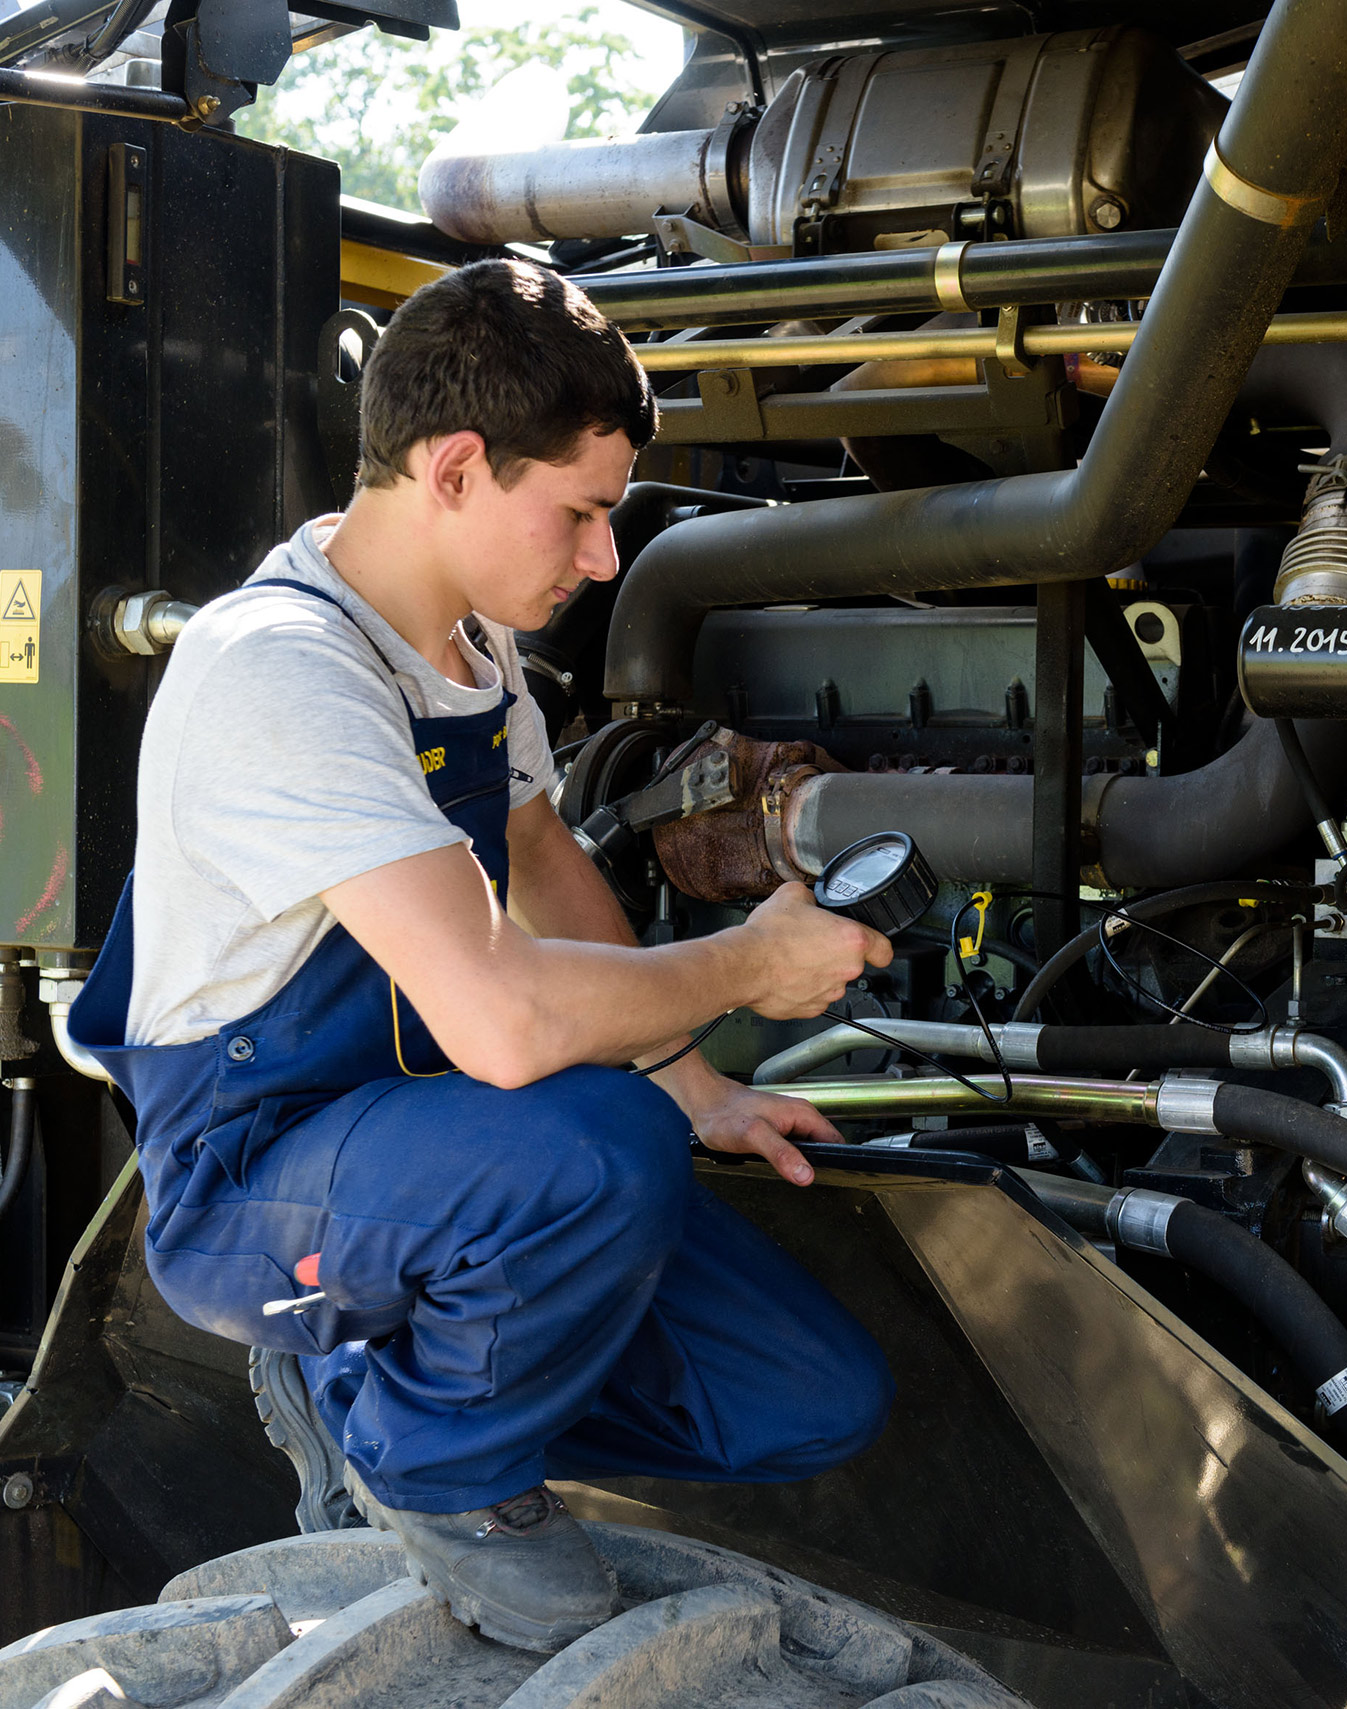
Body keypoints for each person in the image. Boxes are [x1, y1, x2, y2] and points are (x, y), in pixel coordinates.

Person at [67, 258, 895, 1653]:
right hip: (257, 1174)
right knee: (601, 1150)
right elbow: (506, 1027)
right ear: (454, 468)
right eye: (581, 512)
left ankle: (381, 1380)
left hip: (431, 1145)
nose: (603, 558)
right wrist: (748, 966)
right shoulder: (283, 669)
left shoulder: (466, 651)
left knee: (812, 1395)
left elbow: (542, 855)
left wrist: (695, 1079)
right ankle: (425, 1458)